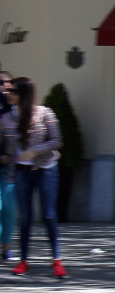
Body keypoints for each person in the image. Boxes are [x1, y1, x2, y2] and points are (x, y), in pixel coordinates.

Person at [1, 77, 64, 277]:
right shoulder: (5, 119)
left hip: (46, 168)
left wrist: (34, 151)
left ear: (24, 94)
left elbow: (57, 140)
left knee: (49, 215)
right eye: (9, 91)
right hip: (21, 172)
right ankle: (23, 261)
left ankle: (56, 260)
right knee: (25, 217)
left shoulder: (45, 113)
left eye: (14, 91)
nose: (9, 94)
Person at [0, 71, 15, 261]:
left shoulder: (13, 109)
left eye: (10, 83)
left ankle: (7, 248)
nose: (7, 86)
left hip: (9, 169)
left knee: (9, 208)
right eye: (3, 83)